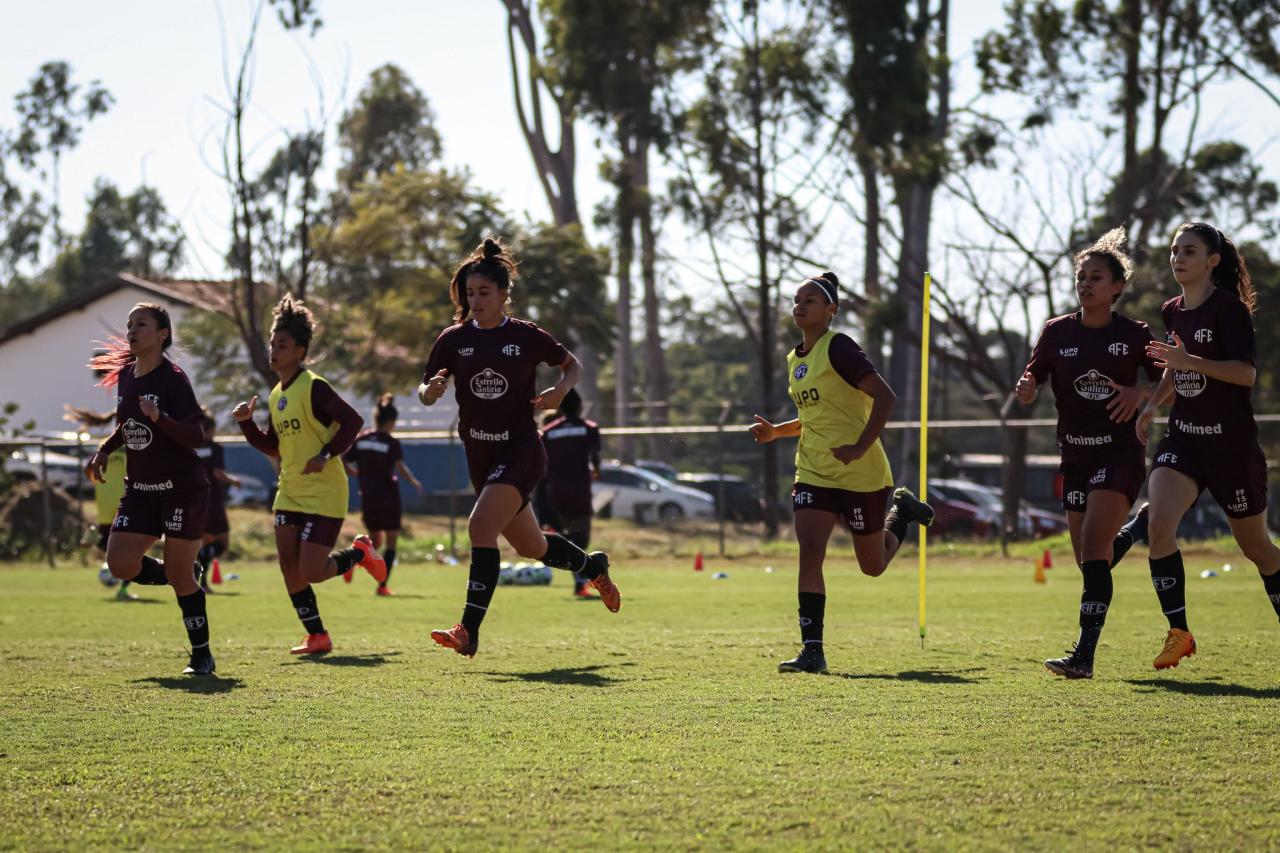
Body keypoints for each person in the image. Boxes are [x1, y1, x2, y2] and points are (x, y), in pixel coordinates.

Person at [418, 237, 620, 658]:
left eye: (484, 293)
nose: (476, 301)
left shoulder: (525, 336)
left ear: (505, 294)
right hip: (480, 456)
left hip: (521, 451)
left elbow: (572, 365)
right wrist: (431, 389)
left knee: (479, 528)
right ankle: (592, 567)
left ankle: (468, 631)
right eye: (470, 294)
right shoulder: (453, 340)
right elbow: (424, 389)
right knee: (532, 547)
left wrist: (561, 391)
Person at [750, 272, 934, 675]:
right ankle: (812, 651)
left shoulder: (840, 347)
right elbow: (813, 415)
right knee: (810, 550)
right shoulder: (794, 359)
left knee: (873, 566)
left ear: (831, 310)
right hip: (813, 470)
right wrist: (776, 432)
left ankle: (902, 513)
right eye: (797, 299)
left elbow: (885, 397)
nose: (800, 305)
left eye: (811, 300)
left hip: (860, 473)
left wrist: (859, 448)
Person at [1015, 228, 1162, 679]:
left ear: (1117, 287)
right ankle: (1138, 529)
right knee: (1088, 558)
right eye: (1081, 276)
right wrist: (1026, 387)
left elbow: (1174, 381)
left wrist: (1142, 394)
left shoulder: (1135, 333)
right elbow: (1032, 379)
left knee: (1095, 553)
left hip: (1118, 455)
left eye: (1096, 277)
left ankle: (1083, 656)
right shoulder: (1056, 332)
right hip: (1073, 456)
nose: (1086, 284)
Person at [1133, 222, 1280, 669]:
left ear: (1212, 261)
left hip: (1232, 449)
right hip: (1184, 442)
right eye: (1175, 250)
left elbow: (1245, 374)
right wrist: (1152, 405)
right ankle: (1179, 633)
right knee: (1159, 525)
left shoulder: (1229, 311)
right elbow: (1176, 371)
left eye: (1189, 251)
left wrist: (1186, 360)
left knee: (1256, 549)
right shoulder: (1172, 309)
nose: (1178, 257)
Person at [234, 294, 386, 656]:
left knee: (313, 570)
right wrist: (245, 424)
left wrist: (326, 453)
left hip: (325, 493)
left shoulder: (313, 386)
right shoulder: (275, 395)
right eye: (272, 343)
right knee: (289, 567)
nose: (274, 350)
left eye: (282, 345)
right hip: (290, 491)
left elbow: (354, 421)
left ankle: (359, 553)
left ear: (300, 351)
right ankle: (317, 636)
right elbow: (273, 445)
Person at [82, 303, 216, 675]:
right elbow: (127, 425)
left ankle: (201, 655)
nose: (132, 330)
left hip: (181, 489)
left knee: (179, 576)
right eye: (129, 324)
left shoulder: (173, 379)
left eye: (141, 324)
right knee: (120, 564)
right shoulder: (127, 376)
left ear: (162, 335)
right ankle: (185, 574)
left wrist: (162, 418)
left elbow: (196, 435)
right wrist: (104, 450)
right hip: (140, 489)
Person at [344, 393, 422, 596]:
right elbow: (400, 468)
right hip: (388, 496)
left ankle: (350, 559)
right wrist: (413, 481)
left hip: (368, 496)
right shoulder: (390, 443)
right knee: (390, 541)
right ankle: (382, 586)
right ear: (391, 421)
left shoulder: (361, 439)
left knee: (373, 541)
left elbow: (344, 460)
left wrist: (354, 472)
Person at [66, 406, 138, 601]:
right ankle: (122, 588)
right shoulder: (132, 444)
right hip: (124, 502)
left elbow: (89, 469)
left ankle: (94, 533)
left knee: (116, 545)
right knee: (131, 551)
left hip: (107, 503)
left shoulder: (104, 446)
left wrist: (99, 484)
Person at [539, 388, 602, 598]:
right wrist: (596, 470)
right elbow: (595, 456)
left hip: (555, 490)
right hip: (579, 488)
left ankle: (574, 569)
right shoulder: (589, 429)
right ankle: (582, 577)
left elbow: (542, 460)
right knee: (581, 537)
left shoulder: (549, 431)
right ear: (580, 406)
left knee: (571, 533)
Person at [195, 409, 241, 593]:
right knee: (222, 544)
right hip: (212, 500)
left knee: (205, 541)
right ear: (211, 428)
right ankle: (197, 572)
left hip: (196, 501)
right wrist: (234, 481)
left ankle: (202, 582)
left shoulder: (192, 446)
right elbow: (218, 473)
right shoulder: (215, 448)